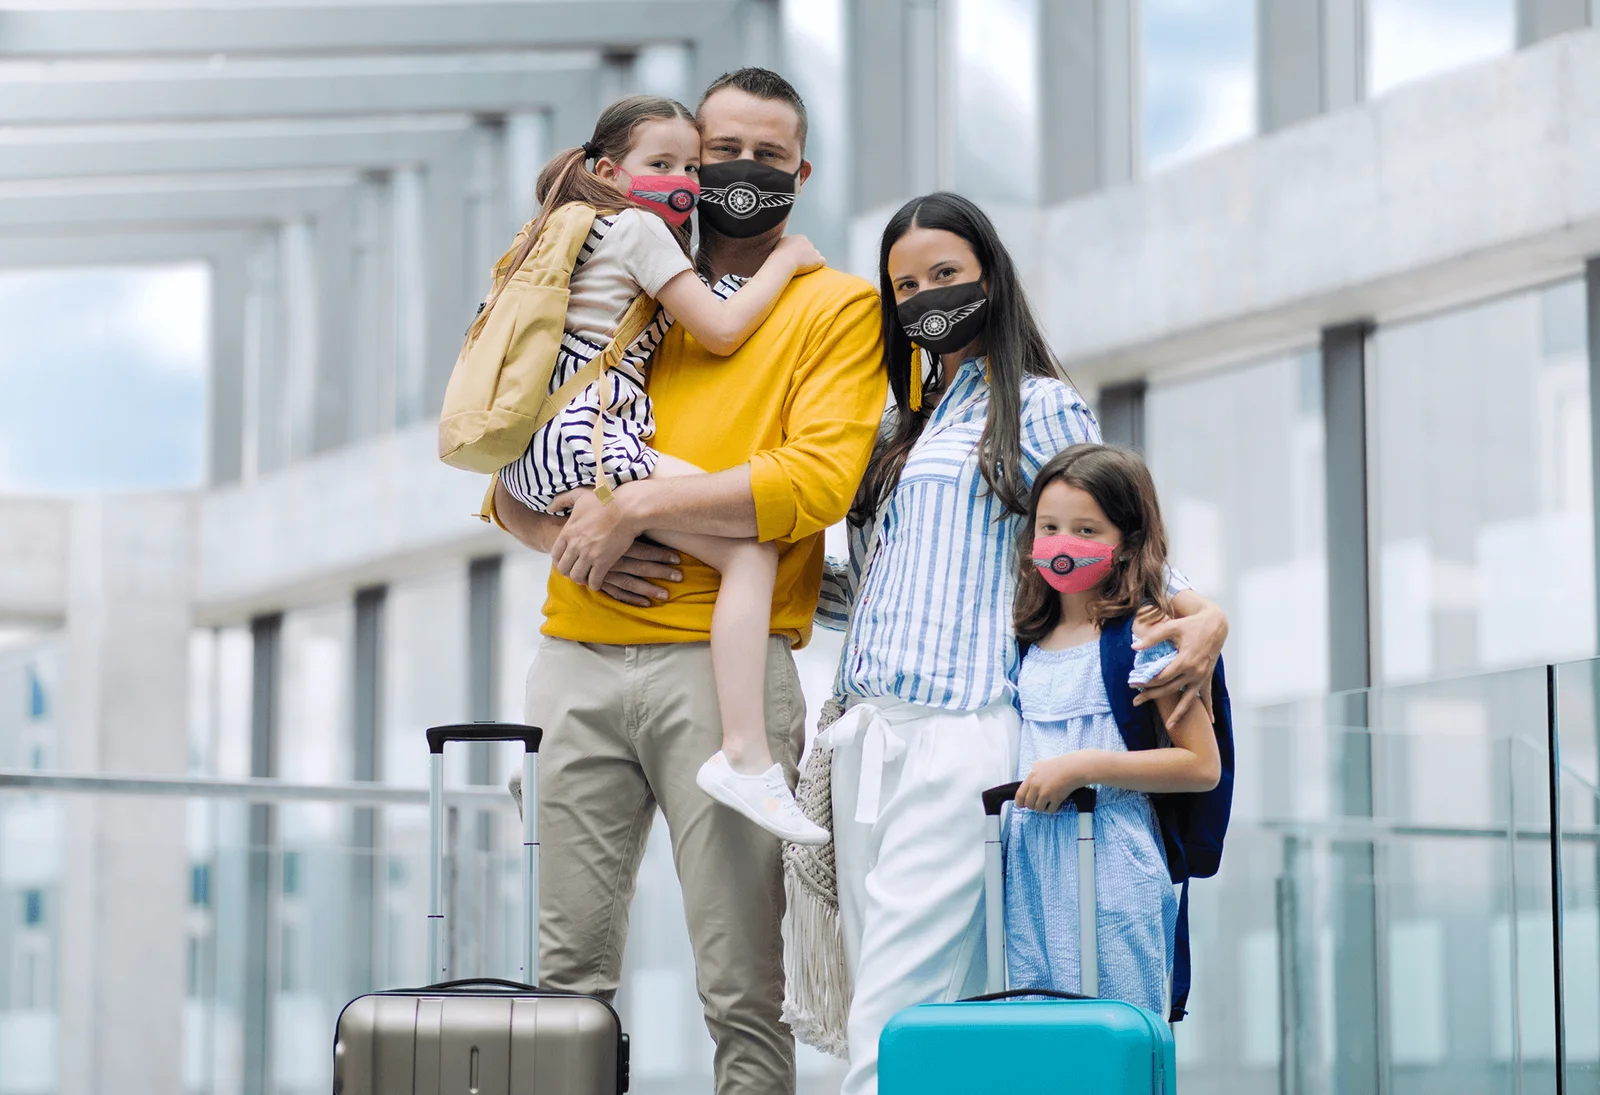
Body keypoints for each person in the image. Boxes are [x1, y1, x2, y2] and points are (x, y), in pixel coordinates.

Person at [489, 68, 886, 1095]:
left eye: (768, 157)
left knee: (743, 987)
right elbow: (514, 457)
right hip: (572, 658)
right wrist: (559, 528)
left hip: (727, 673)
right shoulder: (617, 276)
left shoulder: (834, 307)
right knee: (563, 980)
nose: (742, 174)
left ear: (800, 171)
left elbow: (811, 484)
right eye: (723, 153)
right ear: (681, 160)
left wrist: (634, 510)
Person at [813, 192, 1227, 1095]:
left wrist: (1206, 615)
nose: (927, 296)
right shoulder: (899, 425)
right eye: (906, 284)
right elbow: (886, 584)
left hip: (962, 726)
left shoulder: (1036, 406)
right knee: (932, 1003)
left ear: (991, 277)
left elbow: (1116, 528)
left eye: (946, 275)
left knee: (889, 1016)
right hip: (867, 736)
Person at [492, 93, 827, 843]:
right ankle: (744, 753)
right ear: (611, 170)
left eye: (687, 165)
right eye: (664, 164)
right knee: (750, 550)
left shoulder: (565, 230)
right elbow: (722, 327)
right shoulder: (640, 229)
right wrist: (791, 259)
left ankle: (583, 753)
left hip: (536, 453)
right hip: (592, 441)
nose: (684, 181)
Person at [1006, 443, 1222, 1016]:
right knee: (1043, 1048)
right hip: (1031, 866)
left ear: (1125, 539)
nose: (1062, 543)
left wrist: (1080, 767)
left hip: (1115, 862)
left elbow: (1201, 764)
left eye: (1086, 529)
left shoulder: (1144, 637)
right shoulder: (1026, 640)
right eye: (1048, 527)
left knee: (1116, 1038)